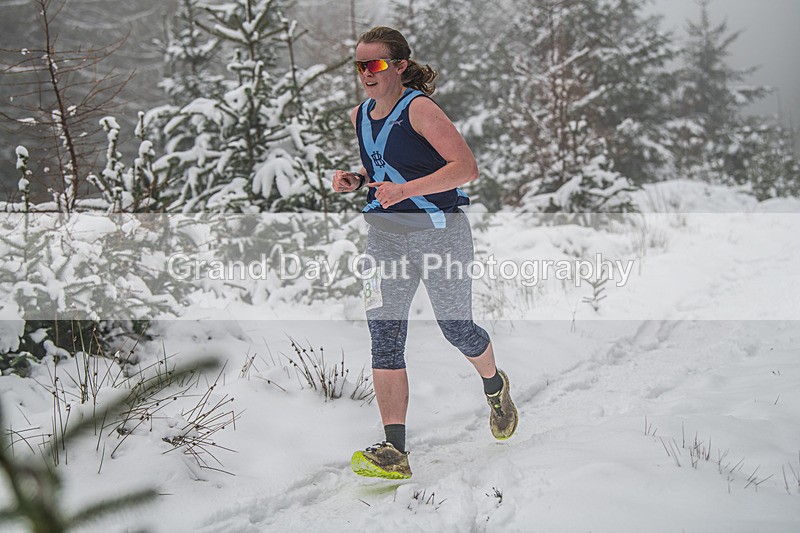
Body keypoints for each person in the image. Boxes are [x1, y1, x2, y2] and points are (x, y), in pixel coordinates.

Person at [332, 26, 518, 480]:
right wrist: (358, 179)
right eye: (359, 65)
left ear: (398, 65)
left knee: (457, 328)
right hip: (384, 237)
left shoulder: (419, 108)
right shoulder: (361, 113)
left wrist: (406, 191)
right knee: (385, 337)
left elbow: (465, 167)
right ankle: (394, 450)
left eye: (375, 64)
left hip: (439, 233)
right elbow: (385, 161)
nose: (366, 73)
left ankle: (495, 386)